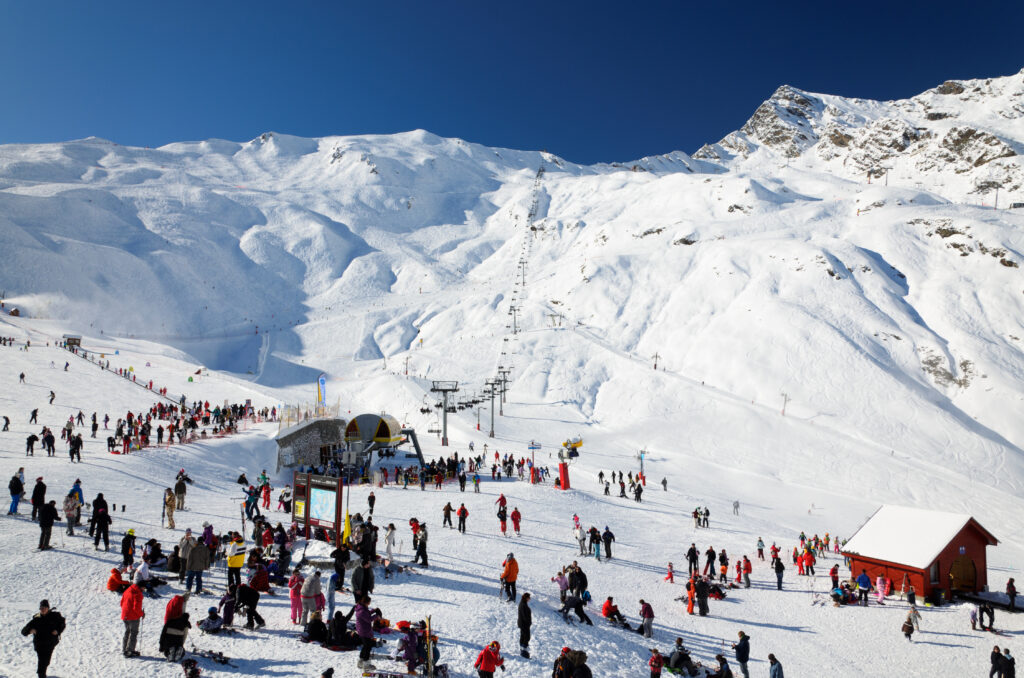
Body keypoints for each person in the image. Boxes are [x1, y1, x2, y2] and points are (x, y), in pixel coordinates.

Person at [21, 599, 66, 678]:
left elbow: (62, 624)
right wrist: (30, 630)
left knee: (46, 662)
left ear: (48, 608)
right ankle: (41, 675)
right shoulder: (36, 619)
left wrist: (58, 630)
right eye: (41, 608)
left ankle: (42, 673)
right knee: (42, 663)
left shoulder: (55, 616)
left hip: (51, 644)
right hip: (40, 645)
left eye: (45, 608)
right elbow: (23, 631)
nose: (43, 610)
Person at [120, 582, 144, 657]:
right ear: (141, 587)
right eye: (144, 588)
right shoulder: (138, 594)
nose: (144, 590)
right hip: (133, 617)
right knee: (133, 632)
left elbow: (121, 603)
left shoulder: (127, 590)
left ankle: (125, 649)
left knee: (127, 631)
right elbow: (136, 608)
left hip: (125, 615)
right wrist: (142, 614)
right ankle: (129, 650)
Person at [355, 595, 376, 670]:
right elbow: (369, 619)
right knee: (368, 646)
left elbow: (367, 614)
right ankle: (366, 665)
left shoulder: (362, 608)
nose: (369, 603)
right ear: (366, 602)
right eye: (369, 602)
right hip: (364, 631)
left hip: (363, 630)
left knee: (365, 646)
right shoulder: (362, 611)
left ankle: (361, 662)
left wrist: (373, 611)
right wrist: (376, 616)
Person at [517, 592, 532, 658]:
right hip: (524, 624)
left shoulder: (523, 603)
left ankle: (522, 650)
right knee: (526, 637)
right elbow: (524, 616)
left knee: (523, 636)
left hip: (523, 624)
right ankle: (524, 652)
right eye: (529, 597)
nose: (529, 599)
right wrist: (528, 623)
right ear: (526, 598)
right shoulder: (523, 605)